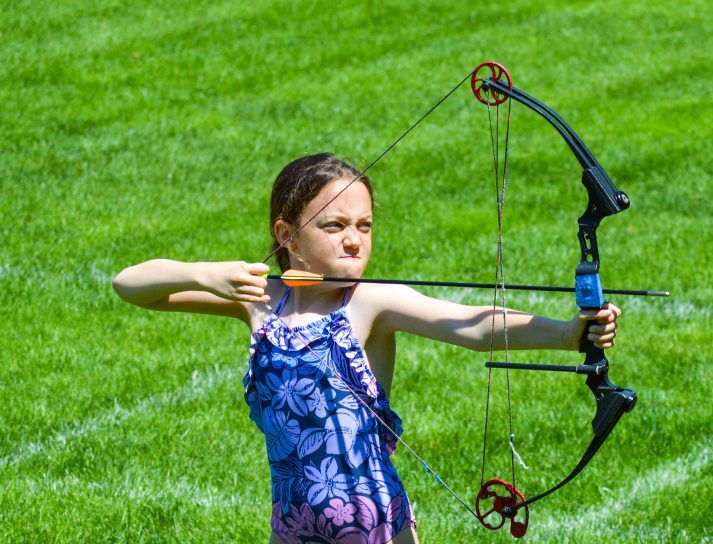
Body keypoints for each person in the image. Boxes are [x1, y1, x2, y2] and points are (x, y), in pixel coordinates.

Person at [112, 152, 621, 544]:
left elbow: (472, 325)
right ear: (286, 234)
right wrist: (200, 274)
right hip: (292, 525)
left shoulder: (370, 304)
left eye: (364, 226)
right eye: (333, 226)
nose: (353, 240)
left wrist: (569, 333)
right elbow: (131, 285)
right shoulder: (260, 302)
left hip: (376, 525)